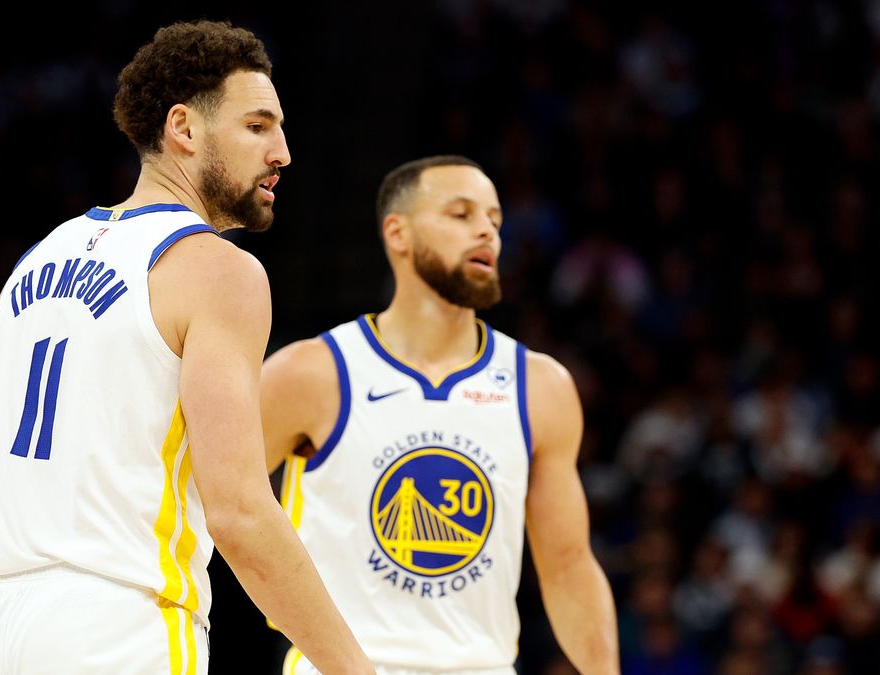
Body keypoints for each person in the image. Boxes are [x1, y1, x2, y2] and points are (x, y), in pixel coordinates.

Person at [0, 21, 372, 675]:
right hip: (115, 624)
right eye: (258, 126)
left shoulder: (34, 261)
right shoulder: (217, 270)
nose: (283, 151)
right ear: (184, 128)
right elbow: (237, 511)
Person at [260, 156, 619, 674]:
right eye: (460, 214)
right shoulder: (311, 373)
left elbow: (567, 568)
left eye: (495, 220)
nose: (486, 232)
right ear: (397, 234)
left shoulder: (541, 387)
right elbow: (223, 511)